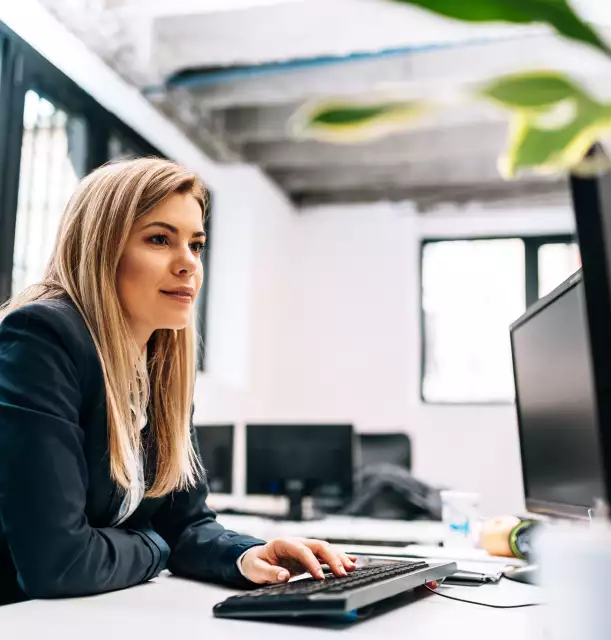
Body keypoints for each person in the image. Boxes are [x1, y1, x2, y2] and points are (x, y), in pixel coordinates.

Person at [0, 158, 355, 606]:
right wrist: (155, 544)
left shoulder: (155, 368)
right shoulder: (43, 336)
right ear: (101, 248)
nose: (188, 263)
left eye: (196, 244)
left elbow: (185, 523)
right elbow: (60, 562)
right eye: (159, 239)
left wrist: (248, 555)